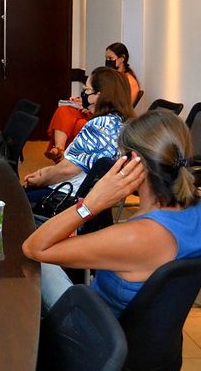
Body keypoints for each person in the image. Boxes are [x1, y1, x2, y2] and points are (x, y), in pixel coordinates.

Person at [23, 110, 201, 316]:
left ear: (133, 161)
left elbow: (34, 248)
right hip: (152, 330)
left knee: (40, 266)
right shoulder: (195, 210)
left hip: (96, 328)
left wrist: (90, 204)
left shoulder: (136, 235)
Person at [24, 67, 136, 202]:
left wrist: (40, 179)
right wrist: (42, 173)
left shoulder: (98, 126)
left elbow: (67, 170)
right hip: (95, 198)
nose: (83, 93)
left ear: (98, 96)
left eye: (87, 90)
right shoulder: (125, 125)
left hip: (67, 196)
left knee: (16, 199)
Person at [45, 42, 140, 162]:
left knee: (78, 124)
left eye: (110, 58)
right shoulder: (109, 75)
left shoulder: (128, 81)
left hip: (104, 113)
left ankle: (69, 157)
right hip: (96, 108)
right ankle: (59, 148)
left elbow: (120, 105)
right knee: (64, 110)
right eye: (106, 58)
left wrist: (93, 106)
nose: (107, 61)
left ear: (122, 58)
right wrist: (83, 102)